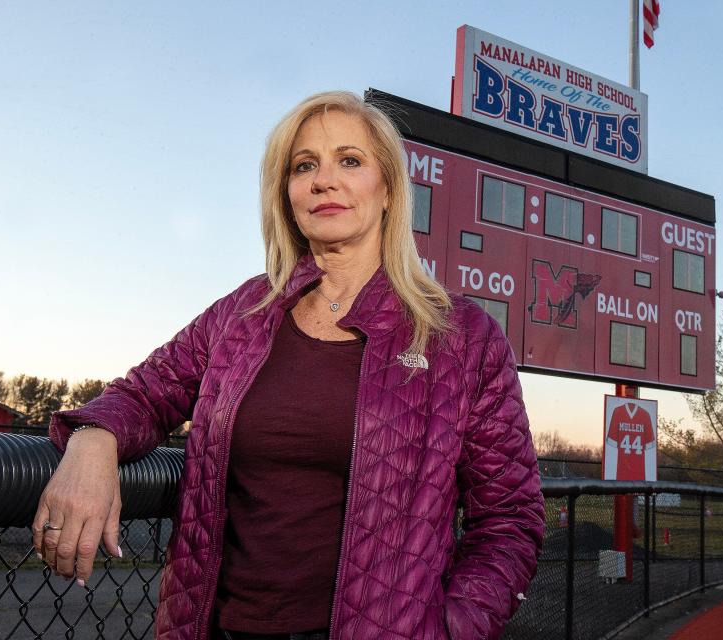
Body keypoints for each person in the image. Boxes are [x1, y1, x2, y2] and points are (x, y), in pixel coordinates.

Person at [33, 91, 545, 640]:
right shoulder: (243, 312)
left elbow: (509, 519)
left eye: (350, 160)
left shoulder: (462, 337)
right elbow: (141, 393)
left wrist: (450, 628)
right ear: (289, 194)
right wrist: (93, 440)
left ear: (390, 189)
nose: (325, 180)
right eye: (305, 166)